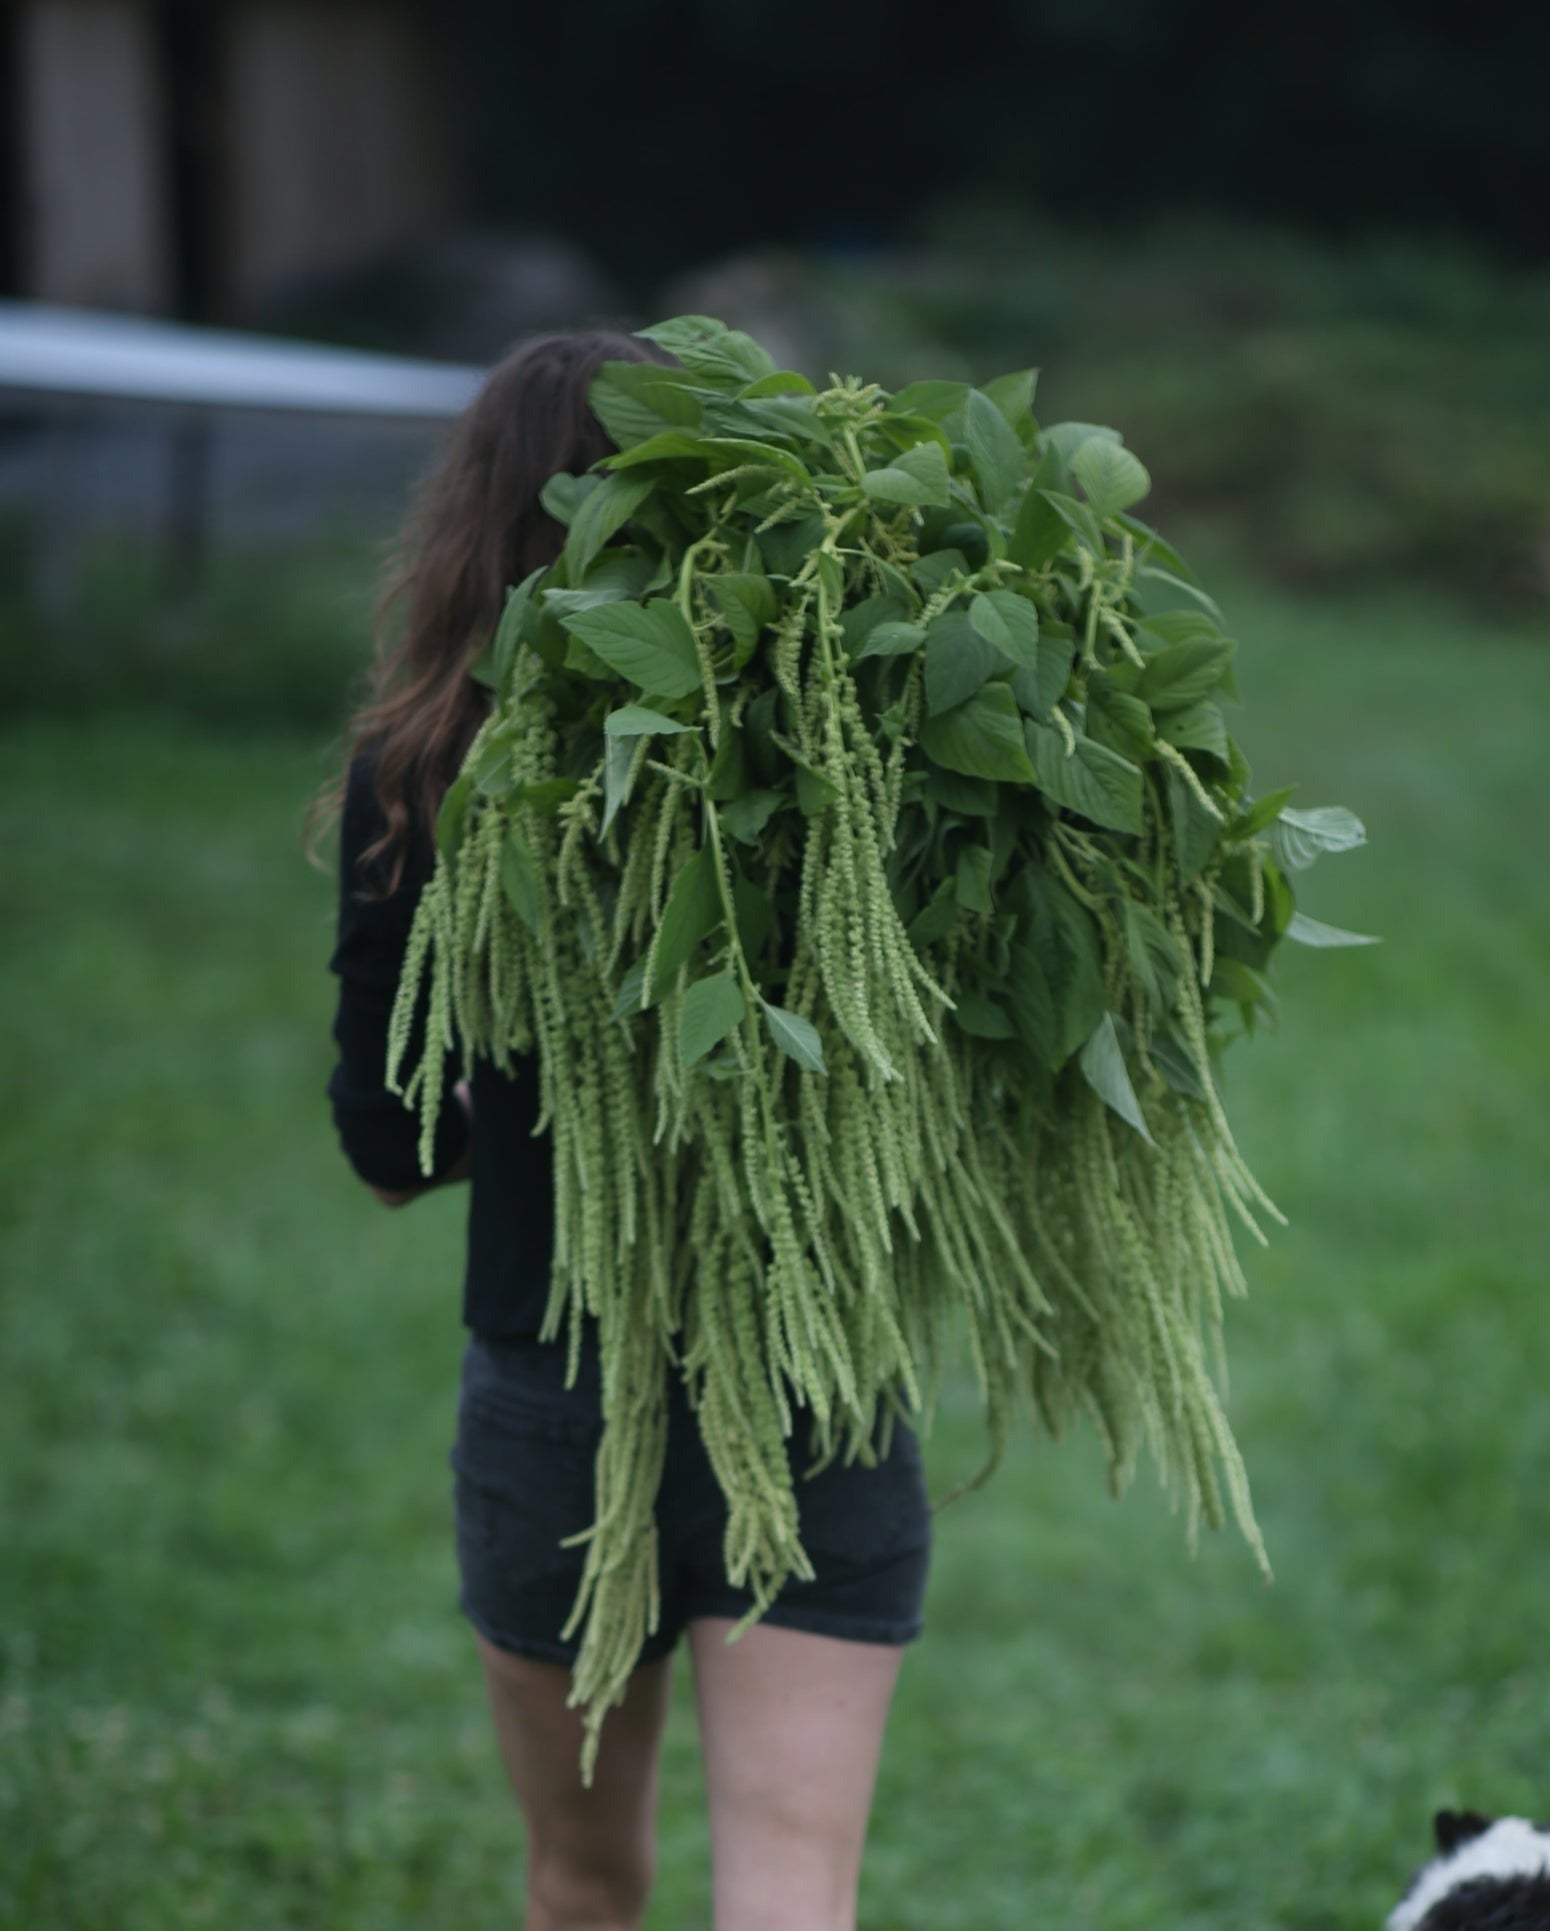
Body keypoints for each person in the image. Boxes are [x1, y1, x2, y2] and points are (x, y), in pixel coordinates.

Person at [306, 331, 934, 1931]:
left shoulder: (427, 763)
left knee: (582, 1888)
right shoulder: (849, 755)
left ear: (480, 518)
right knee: (796, 1888)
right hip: (817, 1376)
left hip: (555, 1385)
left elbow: (387, 1145)